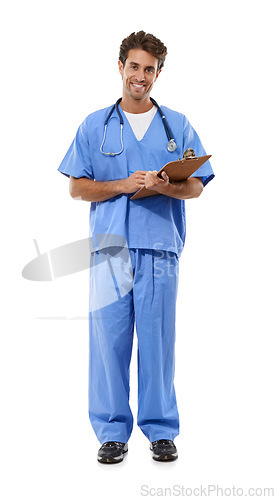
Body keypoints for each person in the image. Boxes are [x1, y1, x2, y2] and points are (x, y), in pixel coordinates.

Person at [58, 31, 214, 464]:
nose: (140, 76)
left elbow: (197, 186)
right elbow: (77, 188)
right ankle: (111, 431)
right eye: (134, 67)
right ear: (121, 67)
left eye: (149, 69)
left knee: (158, 342)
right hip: (109, 252)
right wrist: (123, 185)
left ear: (158, 73)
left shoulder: (177, 125)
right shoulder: (94, 125)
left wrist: (168, 185)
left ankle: (160, 430)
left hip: (159, 250)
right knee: (108, 342)